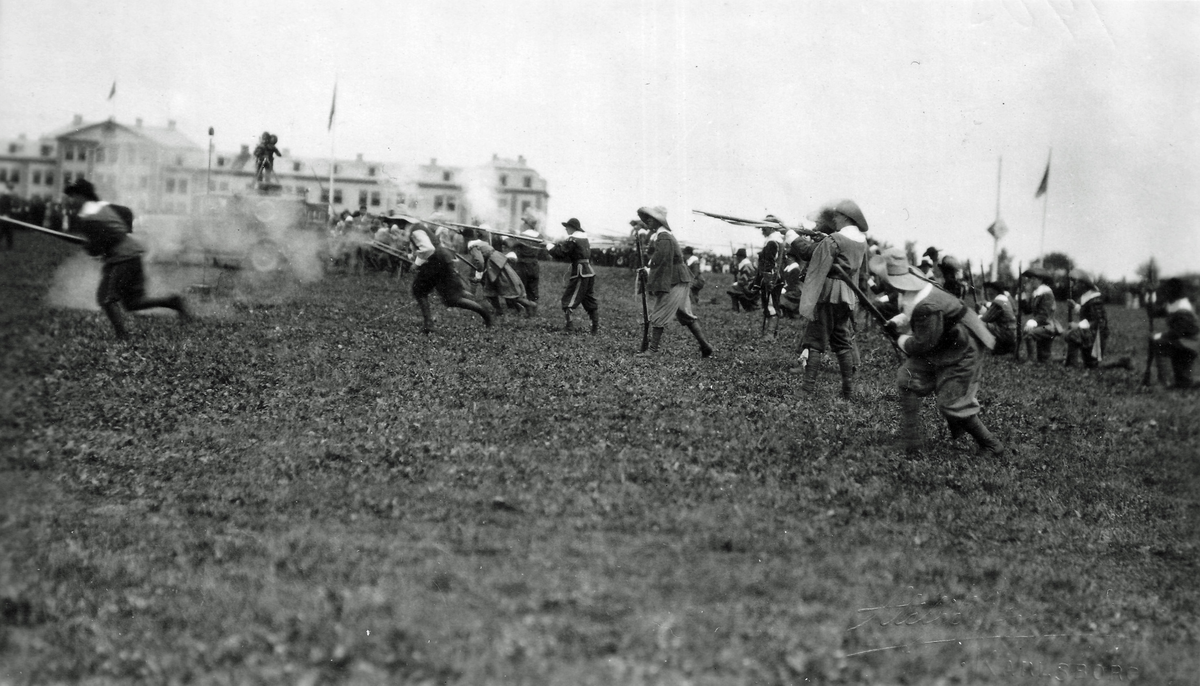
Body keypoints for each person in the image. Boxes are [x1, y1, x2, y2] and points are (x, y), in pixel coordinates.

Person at [873, 247, 1003, 457]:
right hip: (943, 339)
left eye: (883, 277)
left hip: (964, 345)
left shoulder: (927, 305)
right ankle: (911, 442)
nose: (880, 281)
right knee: (907, 378)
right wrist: (896, 322)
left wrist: (899, 338)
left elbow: (922, 345)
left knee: (952, 402)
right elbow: (911, 313)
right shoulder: (914, 290)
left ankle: (990, 444)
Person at [62, 179, 191, 340]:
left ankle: (122, 336)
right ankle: (172, 302)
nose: (70, 200)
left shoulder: (89, 215)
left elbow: (104, 242)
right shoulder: (102, 207)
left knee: (106, 298)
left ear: (83, 196)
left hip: (121, 259)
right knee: (132, 303)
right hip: (132, 255)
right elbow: (124, 215)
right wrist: (96, 243)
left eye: (73, 196)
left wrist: (91, 246)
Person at [793, 199, 871, 399]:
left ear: (846, 217)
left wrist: (792, 237)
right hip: (847, 295)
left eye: (837, 215)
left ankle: (806, 390)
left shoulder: (835, 239)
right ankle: (848, 391)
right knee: (842, 342)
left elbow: (809, 253)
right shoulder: (861, 241)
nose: (834, 219)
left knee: (815, 340)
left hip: (828, 294)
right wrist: (824, 239)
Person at [636, 206, 713, 358]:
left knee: (660, 311)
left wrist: (649, 272)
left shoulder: (664, 237)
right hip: (680, 278)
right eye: (647, 218)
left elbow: (663, 263)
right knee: (685, 314)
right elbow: (661, 260)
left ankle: (653, 350)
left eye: (651, 218)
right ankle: (705, 346)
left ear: (658, 221)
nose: (648, 221)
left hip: (674, 279)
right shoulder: (663, 236)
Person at [407, 218, 492, 333]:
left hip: (436, 261)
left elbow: (428, 249)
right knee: (450, 298)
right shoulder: (419, 228)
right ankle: (483, 311)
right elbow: (422, 249)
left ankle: (429, 324)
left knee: (419, 290)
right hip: (442, 258)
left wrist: (416, 264)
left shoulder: (415, 230)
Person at [463, 227, 537, 317]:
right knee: (490, 291)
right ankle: (499, 311)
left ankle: (529, 304)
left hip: (495, 266)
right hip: (495, 264)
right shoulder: (481, 243)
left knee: (509, 290)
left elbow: (480, 261)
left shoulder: (473, 246)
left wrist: (478, 275)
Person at [546, 218, 599, 333]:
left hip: (580, 272)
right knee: (588, 299)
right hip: (588, 272)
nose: (566, 229)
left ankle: (569, 327)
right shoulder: (583, 239)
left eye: (567, 227)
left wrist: (549, 246)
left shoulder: (572, 239)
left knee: (568, 299)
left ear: (573, 228)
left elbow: (561, 254)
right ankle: (595, 327)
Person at [1150, 278, 1199, 389]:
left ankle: (1164, 382)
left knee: (1160, 344)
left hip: (1189, 344)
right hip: (1183, 342)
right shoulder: (1173, 304)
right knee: (1184, 382)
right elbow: (1154, 313)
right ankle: (1176, 382)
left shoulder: (1182, 308)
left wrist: (1160, 336)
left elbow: (1179, 331)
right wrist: (1151, 296)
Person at [1063, 270, 1108, 368]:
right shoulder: (1088, 298)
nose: (1074, 286)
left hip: (1096, 337)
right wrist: (1075, 306)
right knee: (1090, 365)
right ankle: (1072, 363)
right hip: (1091, 334)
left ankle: (1071, 365)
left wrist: (1078, 325)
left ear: (1083, 285)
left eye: (1076, 283)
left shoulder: (1095, 300)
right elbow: (1087, 313)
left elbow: (1098, 322)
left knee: (1073, 334)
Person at [1020, 266, 1061, 363]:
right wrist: (1023, 298)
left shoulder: (1046, 293)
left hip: (1048, 326)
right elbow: (1028, 310)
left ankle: (1030, 360)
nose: (1031, 281)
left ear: (1040, 280)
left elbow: (1044, 314)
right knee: (1044, 359)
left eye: (1033, 279)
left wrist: (1032, 322)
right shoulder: (1036, 293)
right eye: (1030, 279)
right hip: (1041, 325)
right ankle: (1059, 359)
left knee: (1029, 333)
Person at [758, 221, 785, 338]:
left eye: (764, 228)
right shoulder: (778, 241)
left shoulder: (772, 242)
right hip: (776, 277)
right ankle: (773, 333)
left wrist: (768, 280)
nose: (762, 230)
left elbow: (770, 263)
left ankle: (770, 335)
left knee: (771, 305)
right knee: (773, 303)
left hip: (772, 277)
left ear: (771, 228)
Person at [979, 280, 1018, 356]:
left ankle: (984, 346)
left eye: (990, 290)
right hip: (1011, 331)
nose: (988, 292)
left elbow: (985, 318)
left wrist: (980, 314)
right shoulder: (1004, 300)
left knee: (981, 324)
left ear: (995, 291)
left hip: (1006, 333)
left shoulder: (998, 302)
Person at [510, 215, 542, 305]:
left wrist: (511, 236)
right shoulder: (540, 236)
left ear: (527, 224)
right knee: (533, 288)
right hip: (534, 264)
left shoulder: (522, 235)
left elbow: (511, 245)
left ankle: (522, 306)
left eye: (524, 223)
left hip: (522, 264)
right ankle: (533, 306)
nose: (523, 224)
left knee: (520, 287)